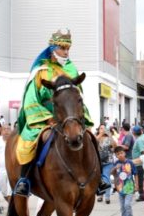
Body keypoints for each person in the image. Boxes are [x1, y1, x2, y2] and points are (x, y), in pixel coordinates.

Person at [12, 29, 109, 197]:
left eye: (68, 49)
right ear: (52, 48)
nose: (66, 52)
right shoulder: (41, 71)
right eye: (62, 48)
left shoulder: (71, 70)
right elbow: (31, 99)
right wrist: (48, 118)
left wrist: (79, 118)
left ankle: (98, 178)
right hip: (44, 118)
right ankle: (25, 180)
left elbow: (78, 97)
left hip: (69, 117)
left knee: (90, 138)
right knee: (32, 142)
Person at [111, 146, 137, 216]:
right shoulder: (116, 163)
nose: (120, 155)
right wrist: (115, 168)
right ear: (116, 155)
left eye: (121, 153)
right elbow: (112, 174)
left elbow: (135, 174)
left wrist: (137, 185)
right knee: (122, 207)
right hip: (120, 188)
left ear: (124, 153)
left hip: (129, 187)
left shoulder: (130, 162)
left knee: (127, 205)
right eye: (118, 154)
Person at [95, 125, 116, 205]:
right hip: (98, 162)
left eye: (104, 128)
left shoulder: (109, 138)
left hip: (108, 161)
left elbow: (115, 146)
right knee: (99, 179)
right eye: (101, 128)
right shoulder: (96, 137)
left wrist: (110, 135)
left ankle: (107, 196)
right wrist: (100, 134)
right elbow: (94, 141)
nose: (102, 130)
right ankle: (100, 195)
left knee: (106, 177)